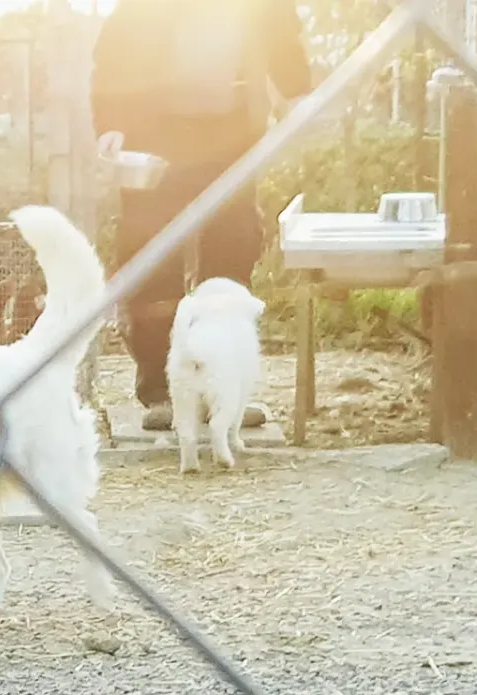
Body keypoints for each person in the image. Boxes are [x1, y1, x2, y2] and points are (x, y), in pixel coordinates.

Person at [90, 0, 313, 431]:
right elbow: (113, 54)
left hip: (230, 134)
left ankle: (222, 389)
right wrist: (111, 122)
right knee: (152, 255)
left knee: (232, 245)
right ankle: (161, 390)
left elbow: (281, 35)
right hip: (154, 132)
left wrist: (297, 92)